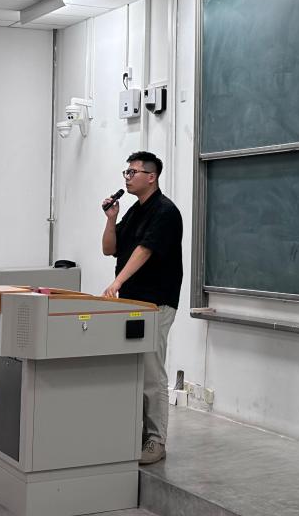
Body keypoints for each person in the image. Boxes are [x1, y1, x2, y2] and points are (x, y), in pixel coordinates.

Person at [101, 151, 183, 466]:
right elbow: (110, 248)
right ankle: (134, 434)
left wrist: (117, 282)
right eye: (126, 172)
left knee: (151, 371)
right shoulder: (134, 211)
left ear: (152, 176)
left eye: (133, 172)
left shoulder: (165, 212)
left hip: (156, 302)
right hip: (132, 302)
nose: (127, 177)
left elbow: (145, 251)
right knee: (132, 371)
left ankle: (156, 441)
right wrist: (111, 219)